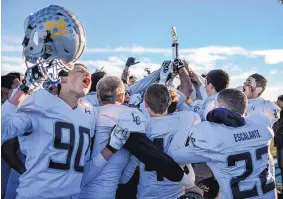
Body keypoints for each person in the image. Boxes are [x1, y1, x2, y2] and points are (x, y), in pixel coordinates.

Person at [80, 75, 198, 199]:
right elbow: (148, 157)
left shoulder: (87, 114)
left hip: (70, 188)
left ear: (97, 96)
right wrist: (188, 183)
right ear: (122, 97)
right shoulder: (131, 116)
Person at [170, 89, 277, 199]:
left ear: (217, 105)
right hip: (269, 195)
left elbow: (174, 156)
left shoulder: (214, 135)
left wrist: (186, 122)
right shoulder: (262, 127)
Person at [120, 83, 202, 199]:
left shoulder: (143, 127)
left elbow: (128, 171)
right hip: (177, 192)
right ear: (170, 102)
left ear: (145, 104)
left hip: (147, 193)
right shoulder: (184, 121)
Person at [273, 95, 283, 192]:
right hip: (279, 142)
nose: (277, 103)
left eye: (279, 101)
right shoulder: (277, 113)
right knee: (280, 165)